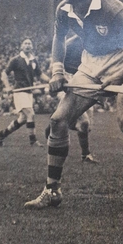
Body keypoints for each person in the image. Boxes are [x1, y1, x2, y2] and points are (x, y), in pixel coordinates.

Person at [25, 0, 123, 212]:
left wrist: (118, 78)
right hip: (90, 64)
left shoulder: (112, 9)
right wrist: (57, 71)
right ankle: (52, 190)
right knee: (58, 120)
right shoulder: (64, 9)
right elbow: (58, 38)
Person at [43, 34, 99, 164]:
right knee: (83, 122)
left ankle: (55, 126)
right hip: (68, 83)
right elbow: (54, 66)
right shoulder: (70, 43)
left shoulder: (95, 42)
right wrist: (59, 78)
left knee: (86, 127)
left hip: (83, 82)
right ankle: (85, 155)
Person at [0, 38, 50, 147]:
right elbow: (4, 73)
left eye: (29, 43)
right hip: (19, 92)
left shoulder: (33, 60)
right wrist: (7, 86)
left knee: (23, 119)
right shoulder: (15, 60)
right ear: (22, 46)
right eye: (25, 43)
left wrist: (51, 81)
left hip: (28, 92)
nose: (27, 45)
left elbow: (40, 74)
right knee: (30, 114)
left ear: (32, 46)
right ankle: (33, 141)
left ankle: (3, 134)